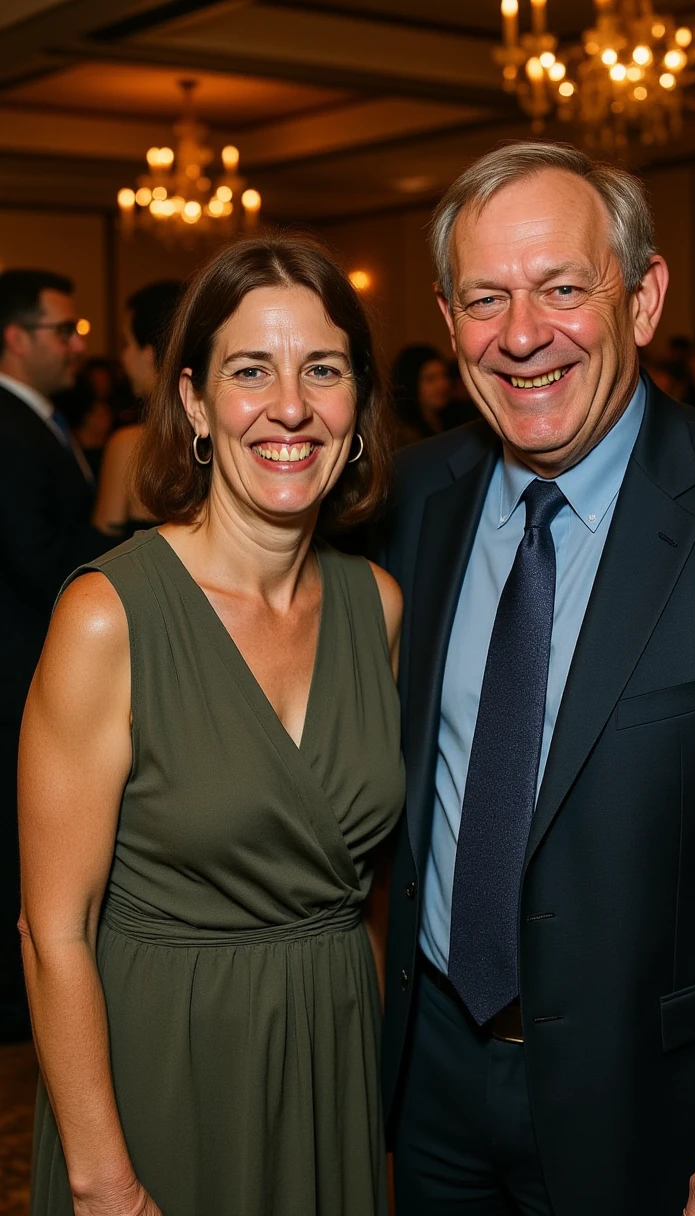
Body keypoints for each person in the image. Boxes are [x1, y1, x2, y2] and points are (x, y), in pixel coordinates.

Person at [376, 142, 695, 1216]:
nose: (522, 334)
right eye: (485, 299)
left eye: (562, 288)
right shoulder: (411, 499)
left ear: (644, 298)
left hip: (657, 1105)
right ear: (447, 320)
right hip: (427, 1077)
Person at [20, 235, 404, 1216]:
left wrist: (372, 1116)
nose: (291, 406)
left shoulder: (377, 606)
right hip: (165, 1076)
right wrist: (105, 1183)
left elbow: (367, 897)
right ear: (194, 402)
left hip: (332, 1067)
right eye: (251, 370)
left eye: (324, 369)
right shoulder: (109, 615)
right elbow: (54, 930)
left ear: (358, 401)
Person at [0, 269, 107, 1044]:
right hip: (18, 672)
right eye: (62, 331)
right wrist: (129, 555)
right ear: (15, 337)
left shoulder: (42, 421)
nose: (76, 346)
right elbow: (38, 556)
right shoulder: (8, 428)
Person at [93, 280, 183, 539]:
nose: (123, 357)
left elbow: (103, 542)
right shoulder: (223, 438)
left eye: (126, 343)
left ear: (150, 353)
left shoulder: (130, 445)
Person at [390, 343, 453, 445]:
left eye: (444, 375)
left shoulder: (451, 419)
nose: (442, 385)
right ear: (411, 384)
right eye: (430, 379)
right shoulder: (403, 435)